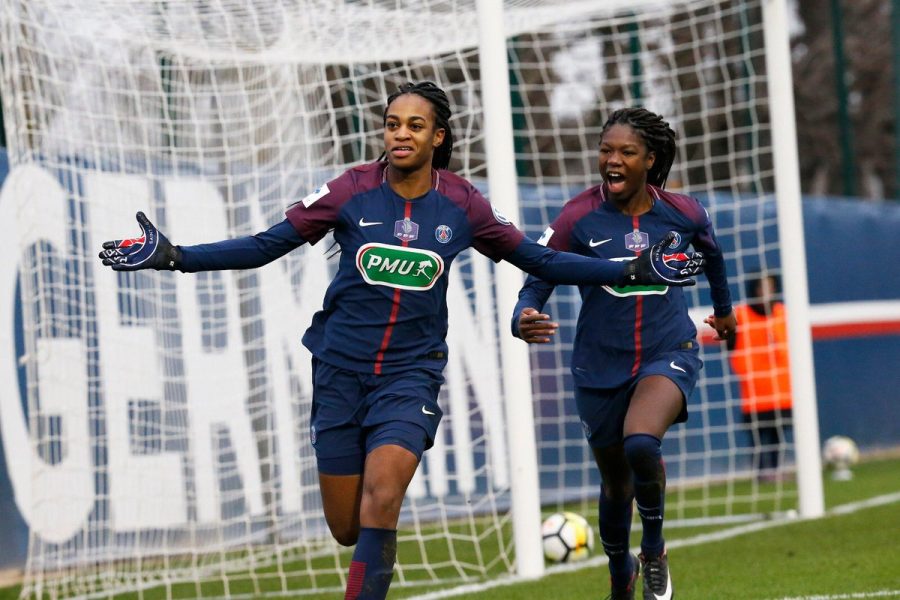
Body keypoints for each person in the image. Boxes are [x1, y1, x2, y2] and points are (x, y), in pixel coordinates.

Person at [97, 84, 706, 600]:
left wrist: (629, 270)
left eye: (415, 125)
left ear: (438, 137)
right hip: (338, 371)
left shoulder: (463, 204)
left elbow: (539, 257)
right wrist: (175, 257)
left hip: (410, 377)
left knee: (382, 498)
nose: (400, 134)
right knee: (346, 526)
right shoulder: (348, 192)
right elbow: (263, 246)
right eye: (392, 124)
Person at [511, 107, 736, 600]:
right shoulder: (577, 216)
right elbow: (539, 276)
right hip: (599, 365)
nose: (612, 161)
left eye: (625, 153)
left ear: (650, 160)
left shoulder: (683, 212)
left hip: (668, 349)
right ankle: (620, 572)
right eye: (605, 151)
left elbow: (713, 257)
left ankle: (653, 548)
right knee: (616, 484)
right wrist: (522, 314)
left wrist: (724, 312)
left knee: (641, 443)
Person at [726, 273, 793, 482]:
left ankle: (775, 470)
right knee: (758, 434)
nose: (765, 292)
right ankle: (761, 472)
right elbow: (731, 347)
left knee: (777, 434)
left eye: (769, 287)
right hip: (754, 389)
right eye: (761, 287)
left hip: (782, 388)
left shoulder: (782, 313)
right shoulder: (742, 315)